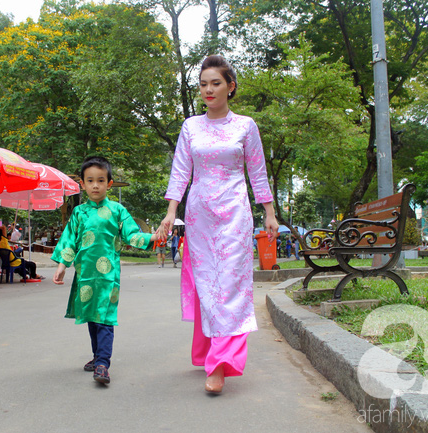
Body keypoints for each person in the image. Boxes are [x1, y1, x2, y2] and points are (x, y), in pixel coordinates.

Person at [158, 55, 279, 394]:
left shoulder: (245, 126)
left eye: (216, 83)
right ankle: (211, 350)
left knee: (231, 286)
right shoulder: (190, 126)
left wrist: (269, 212)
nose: (208, 90)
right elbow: (181, 170)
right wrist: (171, 211)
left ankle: (220, 365)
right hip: (199, 216)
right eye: (203, 84)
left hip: (235, 214)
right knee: (208, 284)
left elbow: (257, 171)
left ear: (230, 87)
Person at [52, 156, 160, 385]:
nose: (95, 185)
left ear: (109, 183)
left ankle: (103, 363)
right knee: (93, 317)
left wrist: (153, 238)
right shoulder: (79, 213)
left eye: (100, 180)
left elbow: (132, 235)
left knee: (105, 318)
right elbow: (69, 241)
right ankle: (97, 356)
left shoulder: (118, 210)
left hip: (109, 277)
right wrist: (62, 266)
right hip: (85, 276)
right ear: (82, 183)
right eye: (90, 180)